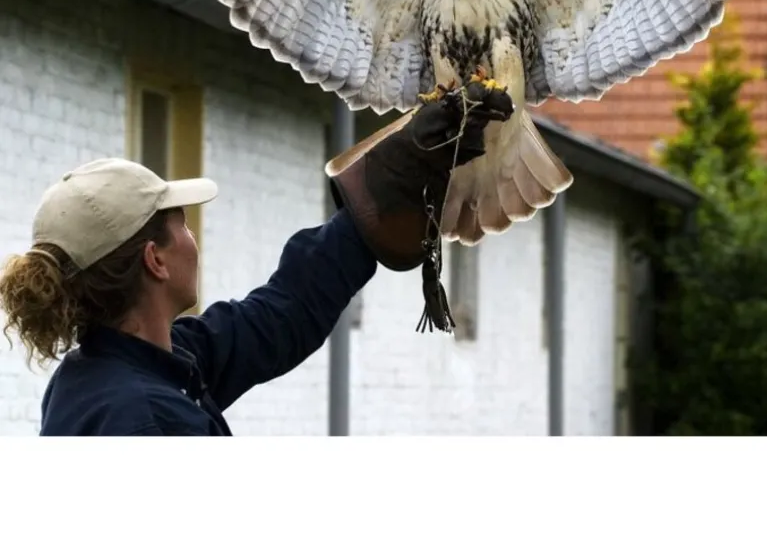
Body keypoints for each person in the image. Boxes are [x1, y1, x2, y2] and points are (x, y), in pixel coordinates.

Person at [0, 81, 513, 436]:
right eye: (182, 224)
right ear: (155, 260)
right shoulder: (151, 420)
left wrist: (380, 194)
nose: (193, 238)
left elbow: (278, 316)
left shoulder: (113, 370)